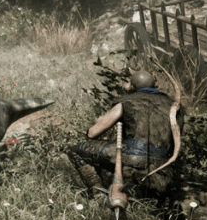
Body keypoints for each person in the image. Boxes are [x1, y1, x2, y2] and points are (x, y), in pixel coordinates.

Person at [68, 70, 183, 203]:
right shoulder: (174, 107)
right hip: (163, 166)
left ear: (133, 87)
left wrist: (98, 122)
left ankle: (99, 196)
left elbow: (93, 133)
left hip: (132, 158)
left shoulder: (128, 102)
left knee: (76, 151)